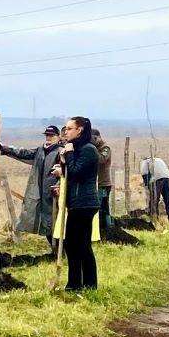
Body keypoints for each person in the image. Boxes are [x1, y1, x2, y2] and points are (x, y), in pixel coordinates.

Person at [52, 116, 99, 291]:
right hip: (77, 202)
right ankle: (87, 284)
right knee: (81, 244)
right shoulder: (80, 149)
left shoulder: (88, 150)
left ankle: (75, 284)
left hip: (84, 203)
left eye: (69, 128)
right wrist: (62, 167)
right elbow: (72, 171)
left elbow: (77, 172)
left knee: (74, 244)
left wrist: (69, 154)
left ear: (79, 130)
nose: (66, 132)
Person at [0, 125, 62, 245]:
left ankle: (61, 250)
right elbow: (23, 152)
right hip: (40, 193)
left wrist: (58, 186)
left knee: (57, 222)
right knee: (45, 223)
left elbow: (65, 173)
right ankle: (54, 249)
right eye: (47, 135)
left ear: (58, 137)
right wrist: (4, 148)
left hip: (55, 194)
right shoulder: (40, 151)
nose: (48, 138)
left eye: (51, 135)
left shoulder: (60, 152)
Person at [141, 155, 169, 222]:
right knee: (168, 199)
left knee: (154, 200)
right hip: (168, 178)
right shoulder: (159, 160)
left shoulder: (145, 162)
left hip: (157, 180)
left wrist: (147, 185)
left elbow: (144, 173)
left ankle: (154, 217)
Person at [91, 129, 113, 229]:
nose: (93, 141)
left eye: (94, 139)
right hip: (96, 183)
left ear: (99, 137)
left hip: (103, 183)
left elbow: (101, 159)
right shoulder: (95, 148)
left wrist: (92, 149)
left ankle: (107, 227)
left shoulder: (105, 148)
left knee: (102, 207)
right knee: (101, 207)